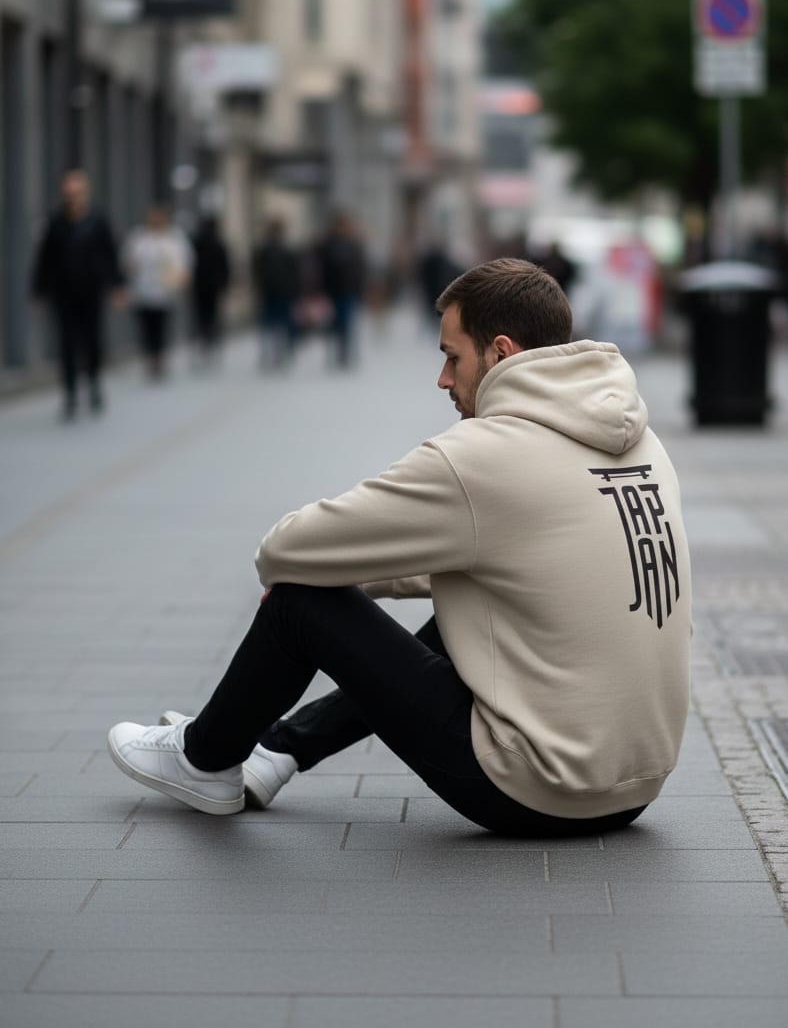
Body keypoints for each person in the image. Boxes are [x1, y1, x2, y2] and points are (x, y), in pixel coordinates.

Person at [108, 258, 692, 837]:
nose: (442, 379)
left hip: (536, 789)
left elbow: (285, 549)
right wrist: (361, 578)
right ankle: (278, 749)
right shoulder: (641, 443)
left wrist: (323, 579)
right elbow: (531, 561)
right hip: (632, 785)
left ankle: (204, 759)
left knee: (297, 603)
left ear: (501, 353)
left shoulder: (482, 456)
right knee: (476, 601)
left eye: (452, 357)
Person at [31, 169, 124, 419]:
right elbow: (45, 259)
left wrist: (117, 286)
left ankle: (93, 382)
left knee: (93, 339)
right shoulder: (55, 223)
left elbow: (110, 254)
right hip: (64, 292)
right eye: (69, 193)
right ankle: (70, 393)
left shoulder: (98, 221)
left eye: (77, 192)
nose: (73, 198)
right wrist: (39, 290)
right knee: (67, 342)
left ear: (85, 193)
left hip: (91, 290)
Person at [122, 204, 193, 380]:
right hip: (143, 292)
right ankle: (150, 356)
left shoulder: (173, 238)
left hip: (165, 293)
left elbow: (185, 262)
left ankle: (160, 357)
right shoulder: (139, 238)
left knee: (162, 327)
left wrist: (181, 277)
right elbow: (128, 261)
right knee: (147, 327)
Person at [315, 209, 368, 367]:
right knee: (333, 324)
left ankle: (345, 353)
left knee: (347, 323)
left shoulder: (353, 245)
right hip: (331, 291)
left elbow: (359, 268)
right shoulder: (327, 245)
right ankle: (334, 353)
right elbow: (320, 268)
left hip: (348, 290)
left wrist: (359, 288)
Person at [251, 217, 301, 369]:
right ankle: (281, 352)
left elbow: (257, 273)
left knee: (270, 324)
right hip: (281, 293)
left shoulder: (264, 250)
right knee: (282, 324)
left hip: (272, 292)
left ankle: (271, 353)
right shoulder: (286, 250)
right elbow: (295, 273)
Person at [190, 216, 231, 363]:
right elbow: (225, 267)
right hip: (213, 286)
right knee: (212, 315)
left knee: (201, 315)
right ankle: (211, 341)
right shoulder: (218, 243)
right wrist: (224, 285)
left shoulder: (197, 242)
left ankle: (204, 341)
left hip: (200, 285)